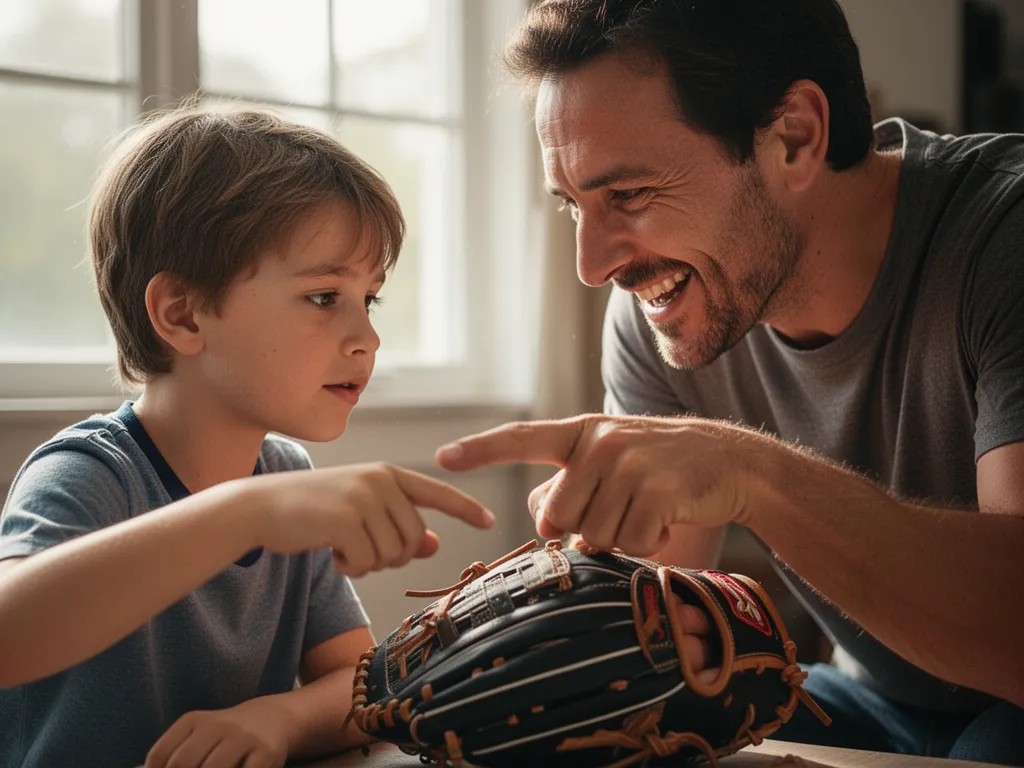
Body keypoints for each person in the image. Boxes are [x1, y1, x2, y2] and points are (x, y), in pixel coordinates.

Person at [434, 0, 1024, 762]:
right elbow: (657, 607)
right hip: (869, 698)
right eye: (574, 204)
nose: (592, 266)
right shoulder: (667, 310)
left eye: (629, 195)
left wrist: (749, 473)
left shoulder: (1002, 240)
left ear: (795, 136)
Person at [0, 107, 498, 768]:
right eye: (325, 297)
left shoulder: (285, 476)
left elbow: (361, 688)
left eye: (369, 299)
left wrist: (282, 719)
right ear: (182, 314)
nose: (368, 339)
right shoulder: (90, 473)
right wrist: (249, 514)